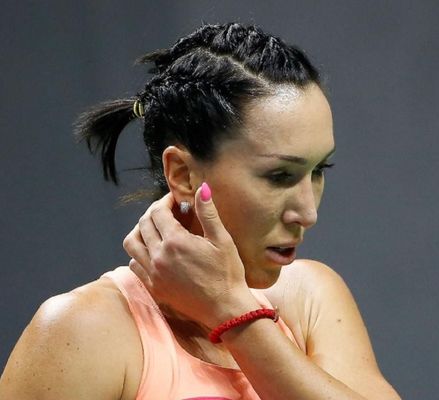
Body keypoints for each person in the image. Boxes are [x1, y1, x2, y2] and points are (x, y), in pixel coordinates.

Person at [0, 23, 401, 399]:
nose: (308, 212)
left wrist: (229, 309)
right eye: (279, 175)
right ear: (183, 174)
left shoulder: (312, 298)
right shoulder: (84, 331)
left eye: (318, 171)